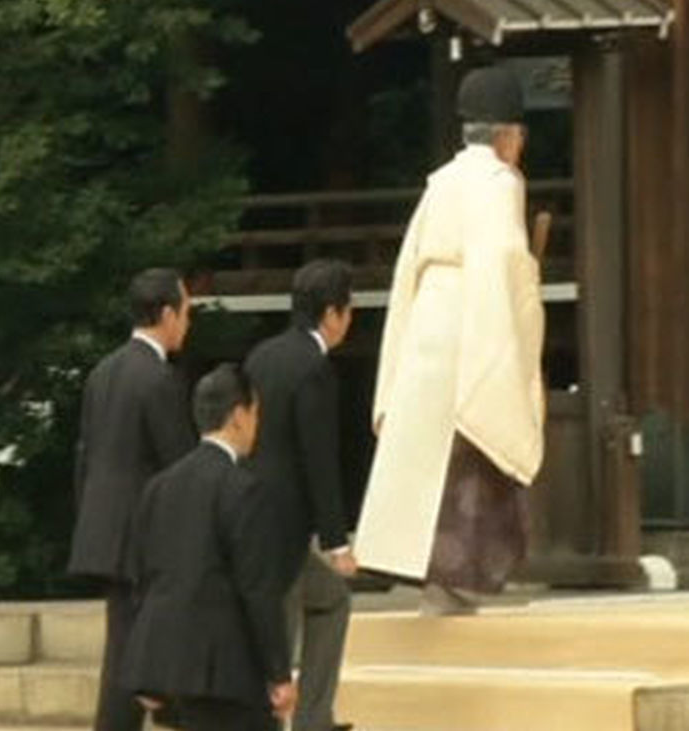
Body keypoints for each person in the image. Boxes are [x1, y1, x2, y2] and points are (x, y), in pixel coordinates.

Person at [354, 65, 545, 615]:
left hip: (427, 331)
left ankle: (436, 584)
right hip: (470, 325)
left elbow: (408, 266)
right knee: (473, 452)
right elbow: (500, 263)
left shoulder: (441, 182)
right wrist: (507, 342)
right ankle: (458, 586)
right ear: (509, 136)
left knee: (433, 463)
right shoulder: (499, 183)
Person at [122, 364, 297, 731]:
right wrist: (279, 672)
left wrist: (145, 663)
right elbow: (258, 589)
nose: (257, 424)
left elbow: (142, 576)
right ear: (238, 416)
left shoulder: (159, 486)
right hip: (225, 668)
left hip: (165, 663)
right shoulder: (243, 489)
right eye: (255, 413)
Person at [67, 268, 198, 731]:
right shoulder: (158, 379)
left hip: (104, 530)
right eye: (186, 311)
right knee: (136, 654)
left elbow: (85, 457)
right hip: (144, 538)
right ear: (167, 314)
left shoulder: (103, 373)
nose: (188, 321)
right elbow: (178, 466)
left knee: (130, 648)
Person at [244, 259, 355, 731]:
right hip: (283, 526)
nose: (349, 320)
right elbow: (318, 459)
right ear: (331, 313)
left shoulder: (260, 356)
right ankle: (296, 722)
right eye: (348, 310)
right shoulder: (314, 368)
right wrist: (337, 542)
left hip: (250, 509)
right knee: (280, 638)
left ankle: (315, 719)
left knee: (331, 600)